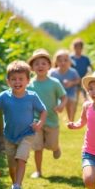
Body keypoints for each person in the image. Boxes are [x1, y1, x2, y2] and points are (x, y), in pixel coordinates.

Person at [0, 60, 46, 189]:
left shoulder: (32, 97)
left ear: (28, 80)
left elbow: (43, 110)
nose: (17, 82)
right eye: (13, 79)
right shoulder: (5, 96)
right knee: (12, 165)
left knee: (21, 158)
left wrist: (40, 123)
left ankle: (17, 186)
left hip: (27, 134)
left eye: (21, 79)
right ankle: (15, 184)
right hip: (9, 136)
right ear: (8, 81)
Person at [27, 49, 67, 178]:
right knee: (37, 147)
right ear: (32, 67)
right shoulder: (29, 84)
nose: (40, 66)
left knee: (51, 144)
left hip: (51, 120)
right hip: (36, 121)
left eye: (43, 63)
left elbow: (64, 97)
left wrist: (61, 105)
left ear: (49, 66)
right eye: (37, 63)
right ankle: (38, 171)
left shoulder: (54, 83)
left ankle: (55, 147)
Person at [49, 49, 81, 121]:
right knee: (55, 106)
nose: (63, 62)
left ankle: (71, 121)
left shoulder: (73, 72)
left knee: (70, 104)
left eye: (65, 60)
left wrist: (71, 83)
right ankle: (53, 120)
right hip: (57, 94)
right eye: (60, 61)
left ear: (70, 62)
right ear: (56, 62)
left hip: (70, 93)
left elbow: (78, 80)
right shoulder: (53, 73)